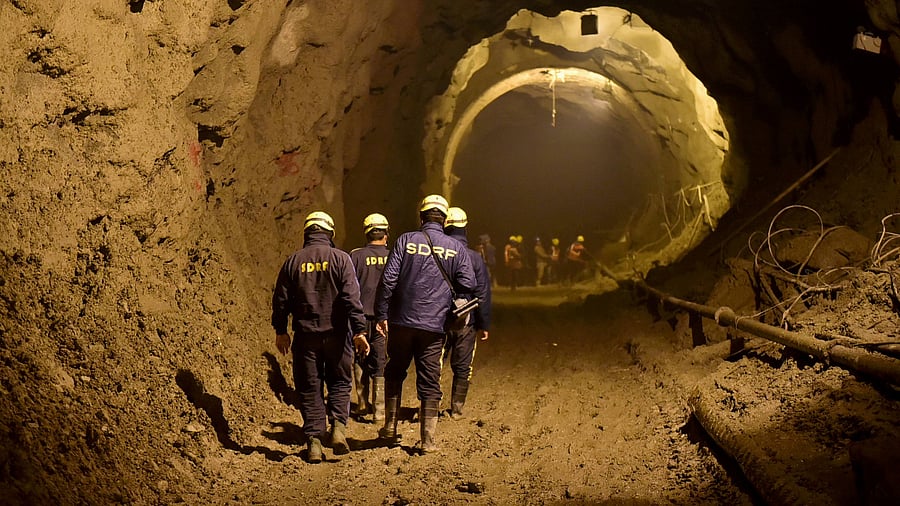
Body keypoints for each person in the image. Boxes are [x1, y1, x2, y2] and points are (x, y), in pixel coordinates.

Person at [375, 195, 476, 454]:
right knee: (430, 380)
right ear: (444, 220)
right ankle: (428, 440)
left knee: (395, 371)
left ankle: (390, 427)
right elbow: (468, 283)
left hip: (401, 321)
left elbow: (388, 280)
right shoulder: (456, 248)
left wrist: (382, 314)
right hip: (435, 325)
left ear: (421, 217)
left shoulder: (405, 240)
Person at [272, 211, 371, 463]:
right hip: (338, 335)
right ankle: (338, 429)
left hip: (305, 337)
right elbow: (351, 298)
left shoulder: (293, 262)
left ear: (307, 233)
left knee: (309, 387)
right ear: (330, 233)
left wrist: (281, 330)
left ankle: (314, 443)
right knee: (339, 383)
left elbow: (281, 300)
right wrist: (359, 330)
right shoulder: (341, 259)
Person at [442, 207, 491, 419]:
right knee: (463, 365)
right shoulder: (475, 257)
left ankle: (429, 407)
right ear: (464, 228)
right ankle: (457, 408)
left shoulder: (437, 254)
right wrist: (484, 324)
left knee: (434, 363)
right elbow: (482, 293)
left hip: (438, 319)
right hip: (466, 320)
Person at [348, 213, 390, 422]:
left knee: (359, 358)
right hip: (384, 319)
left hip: (360, 318)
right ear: (386, 234)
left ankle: (362, 403)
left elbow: (348, 288)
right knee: (380, 360)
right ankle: (380, 411)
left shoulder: (355, 256)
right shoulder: (393, 256)